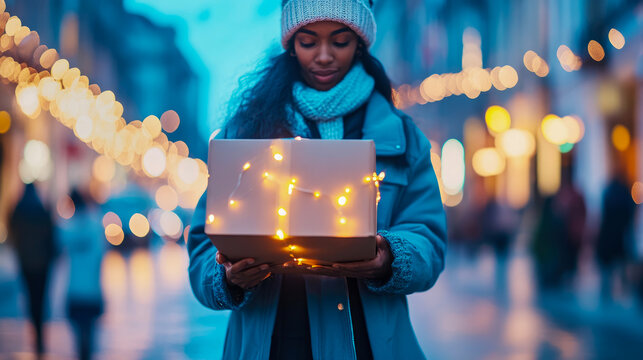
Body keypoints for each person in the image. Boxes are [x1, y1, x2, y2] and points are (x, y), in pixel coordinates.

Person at [188, 1, 447, 358]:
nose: (324, 56)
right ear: (291, 45)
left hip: (369, 346)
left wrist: (388, 256)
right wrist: (229, 279)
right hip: (274, 345)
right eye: (309, 42)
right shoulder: (246, 133)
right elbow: (203, 248)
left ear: (360, 42)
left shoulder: (401, 136)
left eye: (339, 41)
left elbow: (429, 241)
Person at [8, 183, 57, 357]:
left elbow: (12, 231)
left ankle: (36, 335)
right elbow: (52, 236)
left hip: (27, 263)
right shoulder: (41, 212)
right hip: (42, 264)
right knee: (41, 300)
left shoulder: (19, 211)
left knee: (31, 298)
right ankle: (39, 335)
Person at [57, 189, 105, 360]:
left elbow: (57, 249)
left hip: (75, 289)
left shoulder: (67, 229)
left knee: (78, 336)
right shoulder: (95, 226)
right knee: (89, 334)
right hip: (92, 290)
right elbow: (101, 256)